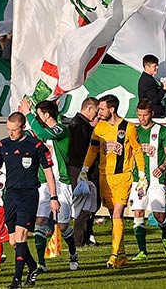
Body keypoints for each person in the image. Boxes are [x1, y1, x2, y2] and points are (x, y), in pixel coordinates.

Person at [0, 113, 58, 289]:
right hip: (11, 196)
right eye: (8, 130)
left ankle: (16, 280)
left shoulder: (36, 146)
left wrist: (54, 197)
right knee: (14, 241)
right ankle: (32, 267)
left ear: (23, 128)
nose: (11, 133)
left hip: (29, 195)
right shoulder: (3, 145)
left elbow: (48, 172)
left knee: (22, 236)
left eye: (14, 130)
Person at [80, 94, 147, 269]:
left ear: (112, 109)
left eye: (101, 109)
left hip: (123, 177)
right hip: (105, 177)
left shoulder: (129, 128)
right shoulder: (99, 128)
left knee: (117, 214)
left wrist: (141, 175)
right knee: (113, 217)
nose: (98, 112)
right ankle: (122, 255)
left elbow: (138, 151)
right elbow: (93, 150)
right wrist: (85, 169)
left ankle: (114, 255)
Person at [20, 98, 78, 271]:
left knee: (62, 225)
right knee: (40, 221)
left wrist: (28, 114)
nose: (36, 118)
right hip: (44, 183)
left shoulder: (60, 130)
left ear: (46, 115)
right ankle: (41, 264)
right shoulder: (39, 131)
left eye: (39, 115)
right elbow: (29, 135)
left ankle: (73, 252)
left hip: (62, 183)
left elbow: (45, 134)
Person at [130, 99, 166, 260]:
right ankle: (142, 251)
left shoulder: (162, 131)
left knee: (159, 217)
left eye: (145, 115)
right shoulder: (133, 132)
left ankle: (165, 233)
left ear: (152, 114)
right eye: (139, 115)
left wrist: (162, 167)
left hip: (157, 180)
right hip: (138, 180)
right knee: (138, 212)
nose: (142, 118)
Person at [66, 97, 99, 249]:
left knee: (90, 203)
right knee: (83, 204)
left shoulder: (79, 124)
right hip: (79, 169)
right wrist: (86, 169)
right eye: (96, 111)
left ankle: (85, 236)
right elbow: (81, 151)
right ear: (89, 109)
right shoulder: (79, 126)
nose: (97, 115)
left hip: (80, 169)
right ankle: (79, 239)